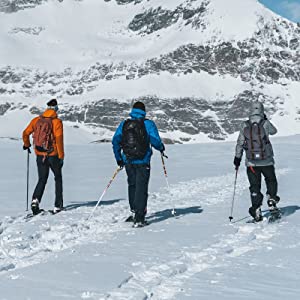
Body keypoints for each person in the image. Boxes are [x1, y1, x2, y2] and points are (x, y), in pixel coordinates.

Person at [112, 101, 165, 227]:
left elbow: (115, 141)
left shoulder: (124, 124)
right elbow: (155, 140)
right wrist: (161, 148)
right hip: (143, 160)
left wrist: (119, 158)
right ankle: (139, 218)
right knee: (141, 187)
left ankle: (134, 211)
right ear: (144, 111)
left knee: (132, 185)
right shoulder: (148, 124)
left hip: (128, 160)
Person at [233, 101, 280, 221]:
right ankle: (272, 199)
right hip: (267, 161)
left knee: (255, 186)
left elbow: (240, 143)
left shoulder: (244, 125)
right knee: (271, 180)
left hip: (251, 163)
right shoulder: (265, 123)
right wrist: (266, 120)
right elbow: (274, 131)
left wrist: (237, 158)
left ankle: (256, 208)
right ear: (262, 110)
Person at [22, 99, 64, 215]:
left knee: (42, 179)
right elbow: (59, 140)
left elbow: (25, 133)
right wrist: (61, 157)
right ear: (55, 108)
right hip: (53, 155)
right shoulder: (57, 122)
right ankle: (57, 206)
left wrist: (27, 145)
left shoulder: (36, 120)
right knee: (58, 178)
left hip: (40, 155)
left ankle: (35, 200)